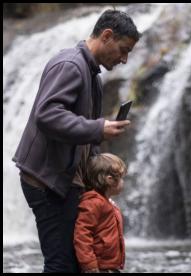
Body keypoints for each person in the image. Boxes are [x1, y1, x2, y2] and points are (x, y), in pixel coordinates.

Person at [12, 9, 141, 273]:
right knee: (61, 263)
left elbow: (84, 135)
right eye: (123, 49)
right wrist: (98, 128)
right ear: (106, 36)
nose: (125, 59)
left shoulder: (92, 75)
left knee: (72, 261)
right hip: (47, 180)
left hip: (65, 179)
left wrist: (98, 184)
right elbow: (47, 115)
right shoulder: (70, 65)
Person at [74, 153, 127, 273]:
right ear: (109, 180)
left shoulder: (107, 202)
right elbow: (82, 234)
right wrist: (89, 264)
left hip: (110, 265)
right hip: (99, 266)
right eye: (121, 177)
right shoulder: (93, 203)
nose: (123, 182)